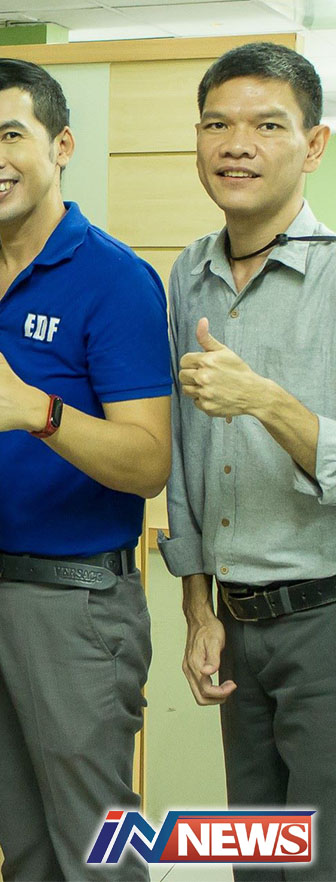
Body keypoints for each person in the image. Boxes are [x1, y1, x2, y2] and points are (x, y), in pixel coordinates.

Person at [0, 58, 172, 880]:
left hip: (76, 606)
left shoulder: (116, 278)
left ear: (61, 145)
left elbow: (148, 462)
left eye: (11, 135)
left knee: (95, 851)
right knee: (26, 848)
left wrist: (37, 410)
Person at [160, 42, 335, 879]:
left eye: (267, 126)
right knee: (259, 859)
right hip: (236, 625)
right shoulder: (187, 275)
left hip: (327, 619)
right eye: (216, 125)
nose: (237, 145)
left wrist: (263, 399)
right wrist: (199, 609)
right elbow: (184, 455)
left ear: (314, 145)